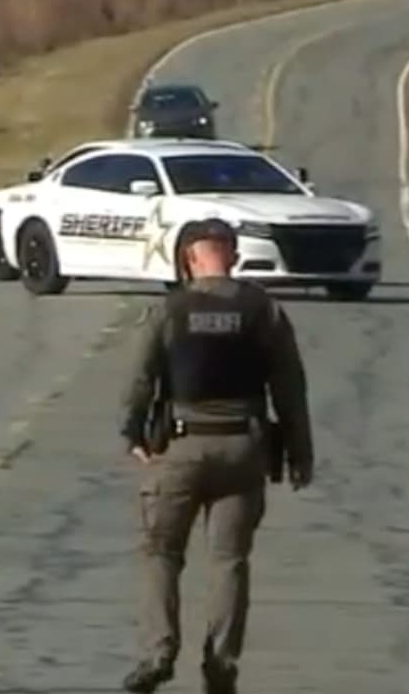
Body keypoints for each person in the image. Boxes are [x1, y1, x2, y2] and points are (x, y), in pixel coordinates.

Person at [117, 218, 313, 694]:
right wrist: (298, 452)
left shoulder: (169, 310)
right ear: (234, 255)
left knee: (162, 553)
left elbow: (140, 379)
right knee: (230, 561)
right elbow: (289, 386)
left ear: (188, 258)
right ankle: (221, 662)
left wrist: (132, 432)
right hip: (243, 450)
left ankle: (158, 652)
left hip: (181, 447)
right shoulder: (263, 311)